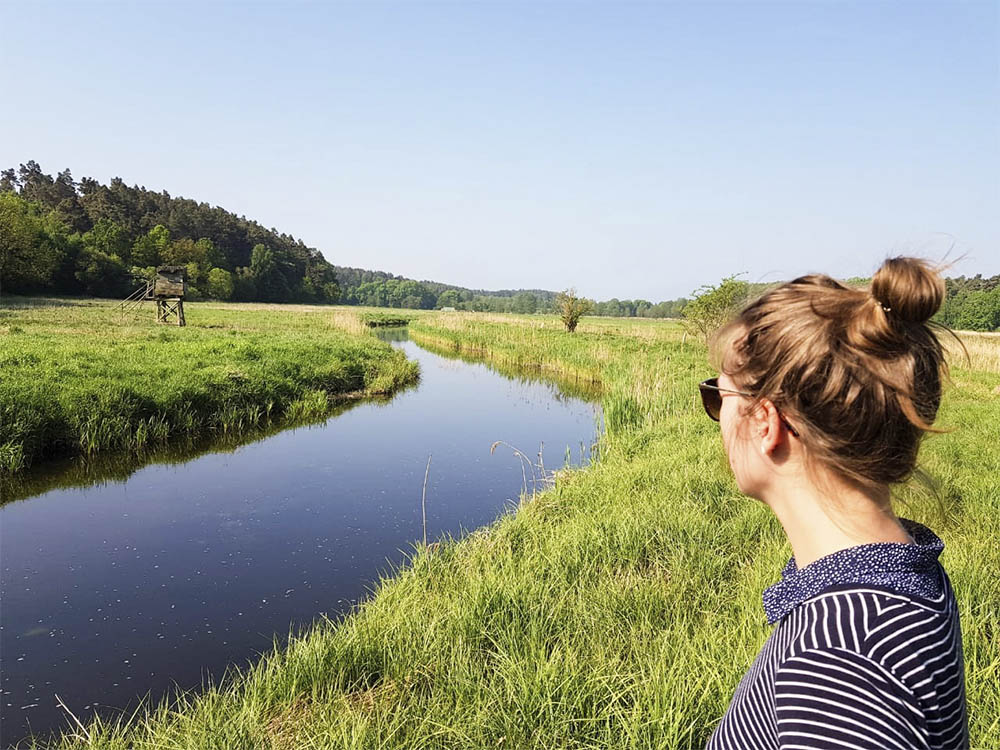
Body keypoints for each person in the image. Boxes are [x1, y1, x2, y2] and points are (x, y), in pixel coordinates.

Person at [701, 257, 968, 750]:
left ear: (766, 423)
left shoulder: (839, 661)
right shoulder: (907, 576)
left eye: (717, 396)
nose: (716, 416)